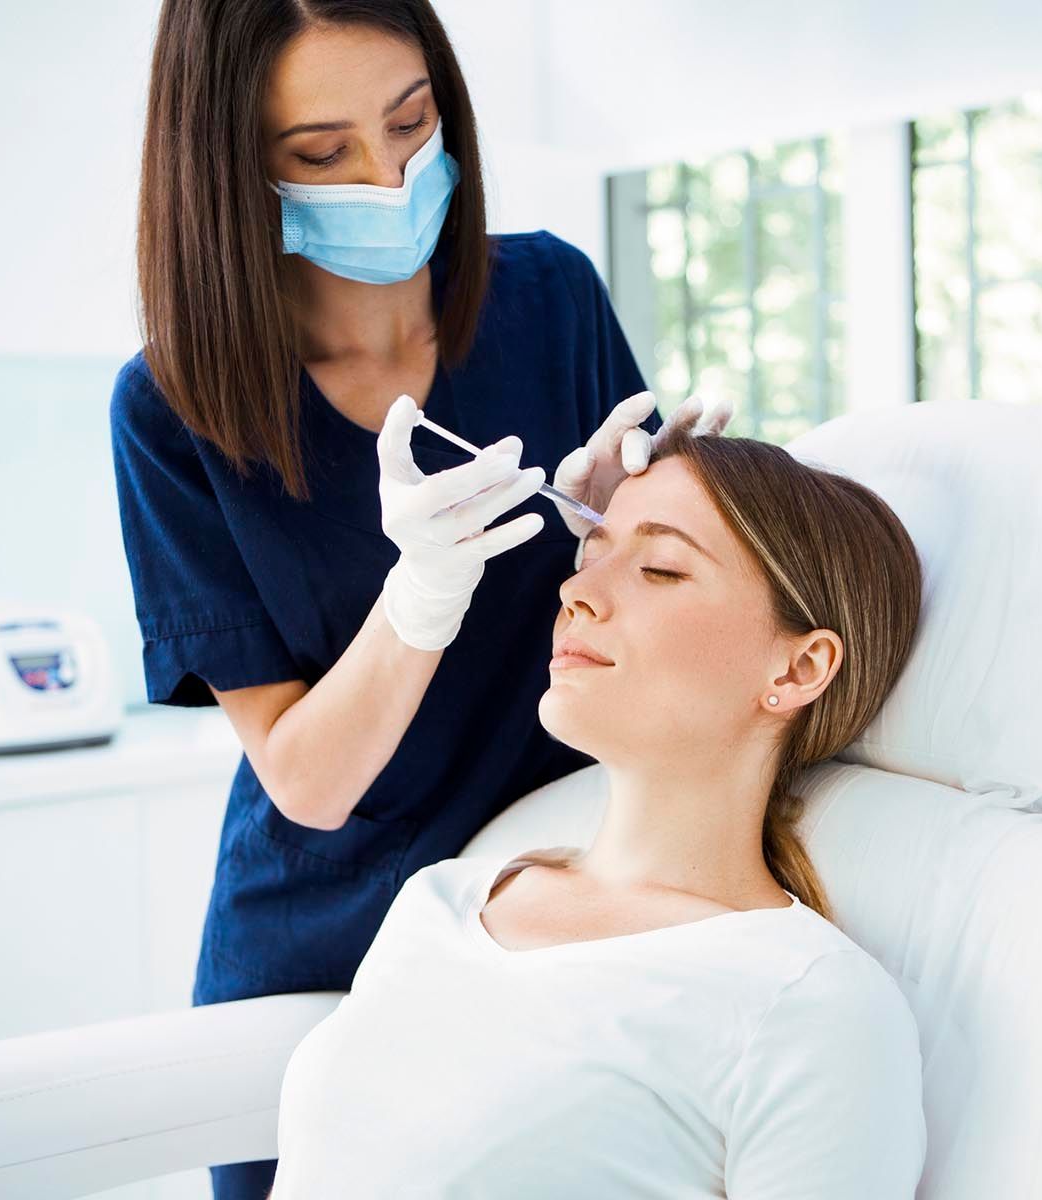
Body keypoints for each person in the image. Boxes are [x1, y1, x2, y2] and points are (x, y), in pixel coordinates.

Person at [108, 3, 731, 1196]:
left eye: (410, 122)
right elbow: (307, 778)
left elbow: (664, 634)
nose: (390, 178)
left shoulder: (550, 297)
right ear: (233, 164)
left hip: (545, 908)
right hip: (322, 949)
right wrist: (418, 601)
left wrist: (626, 532)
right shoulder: (177, 408)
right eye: (321, 153)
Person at [268, 423, 929, 1197]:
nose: (575, 590)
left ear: (801, 664)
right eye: (590, 553)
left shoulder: (809, 1008)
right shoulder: (445, 897)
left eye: (659, 567)